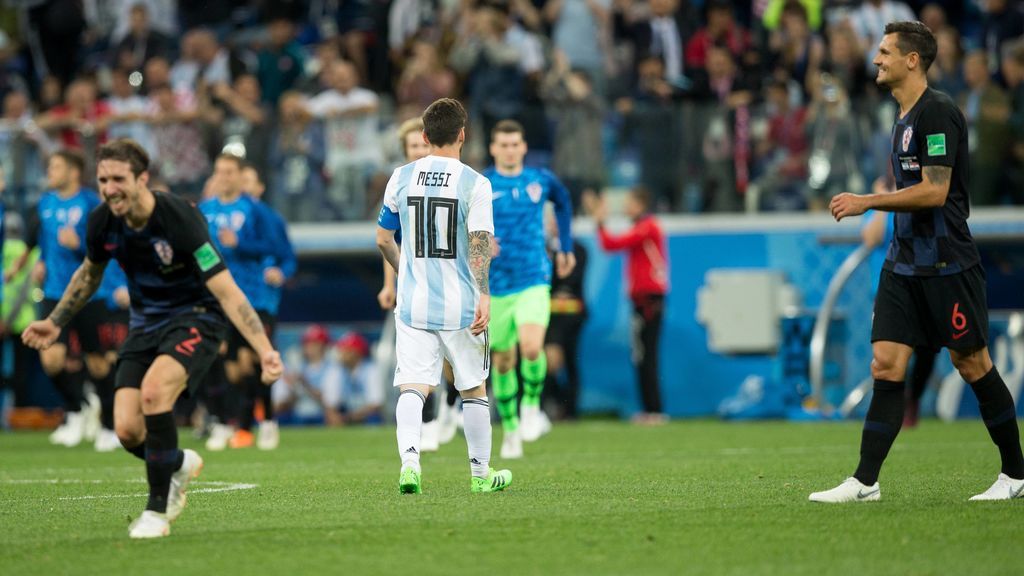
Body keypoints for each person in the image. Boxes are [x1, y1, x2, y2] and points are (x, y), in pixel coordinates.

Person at [21, 139, 283, 538]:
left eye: (119, 179)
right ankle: (175, 462)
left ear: (142, 179)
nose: (110, 188)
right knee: (126, 429)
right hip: (145, 325)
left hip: (197, 318)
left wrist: (264, 349)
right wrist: (56, 322)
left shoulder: (178, 217)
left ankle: (157, 511)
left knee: (154, 394)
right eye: (103, 179)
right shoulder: (102, 221)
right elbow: (89, 275)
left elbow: (226, 288)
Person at [814, 21, 1024, 503]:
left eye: (885, 51)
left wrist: (869, 201)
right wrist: (882, 204)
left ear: (913, 60)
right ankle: (865, 482)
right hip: (903, 263)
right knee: (885, 364)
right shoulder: (902, 115)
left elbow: (936, 191)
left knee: (971, 363)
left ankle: (1015, 474)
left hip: (948, 263)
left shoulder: (939, 113)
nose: (876, 59)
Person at [376, 97, 511, 494]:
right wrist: (484, 295)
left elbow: (383, 239)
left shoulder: (400, 177)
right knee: (472, 388)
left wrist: (406, 273)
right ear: (462, 135)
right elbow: (480, 242)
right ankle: (481, 475)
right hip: (462, 305)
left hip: (414, 303)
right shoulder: (475, 183)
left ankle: (410, 466)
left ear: (424, 136)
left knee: (413, 387)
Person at [7, 151, 113, 447]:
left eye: (55, 167)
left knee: (98, 363)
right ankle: (76, 409)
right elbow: (41, 241)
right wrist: (34, 262)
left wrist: (79, 245)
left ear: (74, 171)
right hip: (55, 292)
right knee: (51, 359)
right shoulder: (46, 203)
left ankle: (109, 426)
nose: (50, 172)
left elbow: (107, 249)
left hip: (89, 293)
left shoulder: (92, 203)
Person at [483, 119, 575, 459]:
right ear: (493, 149)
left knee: (533, 347)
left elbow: (564, 203)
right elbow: (462, 222)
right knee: (504, 360)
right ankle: (509, 430)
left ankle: (532, 407)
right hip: (495, 284)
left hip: (534, 276)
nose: (509, 149)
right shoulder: (481, 183)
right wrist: (477, 242)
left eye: (514, 144)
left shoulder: (540, 179)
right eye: (503, 144)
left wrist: (564, 246)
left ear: (523, 147)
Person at [377, 117, 452, 452]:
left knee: (449, 361)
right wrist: (391, 281)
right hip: (415, 285)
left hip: (449, 284)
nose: (420, 151)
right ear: (406, 151)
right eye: (413, 147)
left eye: (423, 145)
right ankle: (431, 421)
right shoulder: (400, 183)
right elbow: (389, 238)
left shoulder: (452, 180)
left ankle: (449, 407)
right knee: (418, 359)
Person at [199, 154, 276, 450]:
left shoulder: (255, 210)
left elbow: (271, 246)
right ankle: (227, 422)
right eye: (219, 171)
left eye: (230, 172)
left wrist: (239, 244)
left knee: (252, 360)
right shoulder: (205, 210)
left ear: (239, 175)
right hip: (216, 297)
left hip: (251, 297)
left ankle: (260, 422)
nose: (224, 177)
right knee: (229, 368)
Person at [587, 186, 669, 425]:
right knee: (642, 355)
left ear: (640, 203)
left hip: (649, 300)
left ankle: (655, 410)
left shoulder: (648, 225)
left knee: (647, 354)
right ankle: (650, 410)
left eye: (629, 202)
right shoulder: (643, 226)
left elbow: (612, 244)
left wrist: (600, 223)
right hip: (642, 300)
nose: (625, 207)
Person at [860, 183, 938, 428]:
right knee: (888, 355)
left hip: (923, 284)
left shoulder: (921, 198)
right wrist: (884, 200)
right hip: (888, 290)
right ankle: (891, 409)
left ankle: (912, 399)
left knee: (927, 349)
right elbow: (870, 239)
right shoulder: (881, 203)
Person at [240, 164, 296, 450]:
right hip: (233, 299)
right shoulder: (224, 216)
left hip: (262, 299)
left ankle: (265, 419)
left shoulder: (271, 218)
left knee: (258, 359)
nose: (244, 185)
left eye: (249, 180)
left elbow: (287, 256)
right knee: (234, 364)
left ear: (260, 187)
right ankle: (233, 421)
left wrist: (280, 272)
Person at [335, 332, 384, 424]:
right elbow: (334, 401)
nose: (340, 354)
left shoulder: (371, 370)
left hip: (369, 419)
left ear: (356, 352)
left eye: (345, 350)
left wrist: (349, 417)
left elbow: (376, 404)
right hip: (349, 416)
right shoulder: (340, 371)